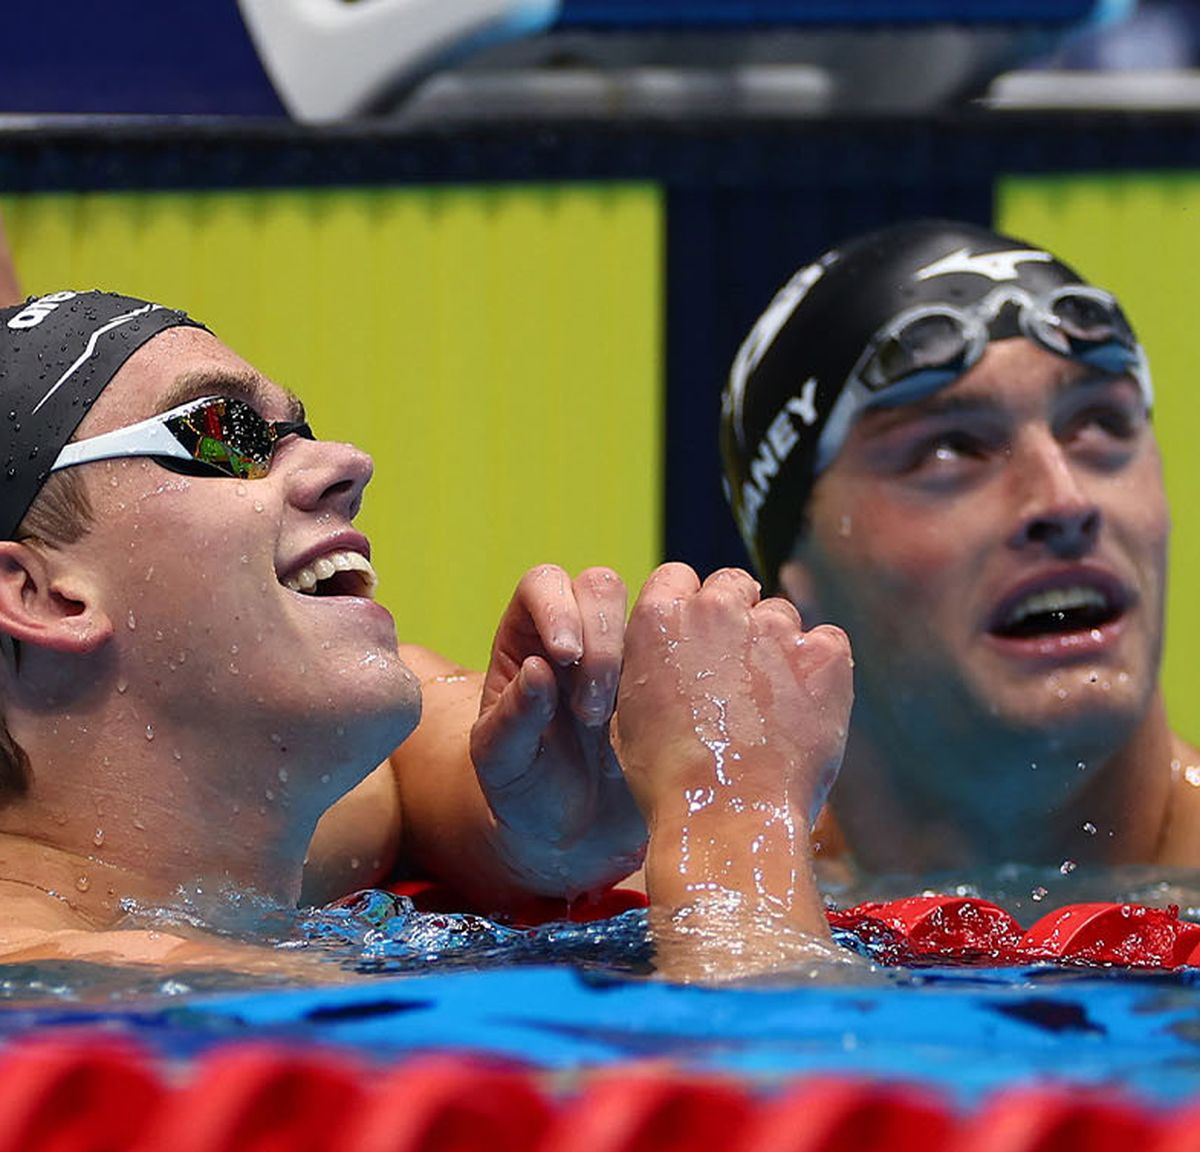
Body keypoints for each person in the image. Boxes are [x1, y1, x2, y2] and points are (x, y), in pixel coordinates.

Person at [0, 286, 852, 977]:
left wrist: (543, 830)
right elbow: (802, 1120)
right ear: (39, 593)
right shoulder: (74, 989)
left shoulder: (229, 862)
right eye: (225, 435)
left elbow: (406, 769)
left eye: (298, 430)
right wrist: (732, 812)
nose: (347, 462)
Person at [719, 218, 1200, 880]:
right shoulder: (715, 896)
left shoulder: (721, 912)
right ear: (792, 570)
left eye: (1099, 424)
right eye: (949, 449)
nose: (1064, 503)